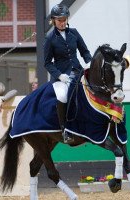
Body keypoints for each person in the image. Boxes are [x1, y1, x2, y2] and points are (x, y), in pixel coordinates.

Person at [44, 4, 92, 143]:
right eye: (60, 20)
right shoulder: (50, 38)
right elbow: (47, 63)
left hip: (78, 71)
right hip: (62, 75)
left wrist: (88, 62)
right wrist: (59, 75)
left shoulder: (74, 33)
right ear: (54, 20)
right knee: (62, 96)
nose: (63, 22)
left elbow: (85, 51)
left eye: (65, 19)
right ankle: (65, 130)